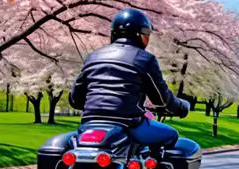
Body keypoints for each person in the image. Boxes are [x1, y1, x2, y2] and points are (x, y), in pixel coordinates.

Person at [69, 8, 191, 148]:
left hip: (89, 124)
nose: (148, 38)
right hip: (129, 124)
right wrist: (181, 106)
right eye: (146, 33)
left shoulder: (93, 57)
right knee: (171, 134)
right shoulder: (144, 59)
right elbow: (162, 99)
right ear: (139, 35)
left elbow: (75, 99)